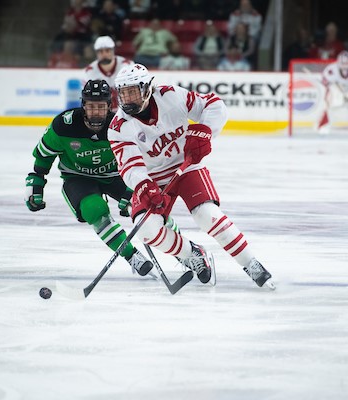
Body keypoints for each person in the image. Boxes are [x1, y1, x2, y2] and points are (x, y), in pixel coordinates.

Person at [107, 63, 275, 289]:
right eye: (124, 93)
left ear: (147, 88)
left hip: (186, 167)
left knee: (207, 214)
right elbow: (129, 166)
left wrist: (204, 131)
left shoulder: (171, 96)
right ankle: (193, 254)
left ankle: (251, 263)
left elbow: (215, 105)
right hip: (152, 177)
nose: (128, 99)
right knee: (146, 228)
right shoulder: (118, 127)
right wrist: (144, 185)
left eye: (133, 92)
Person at [24, 79, 153, 277]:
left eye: (101, 107)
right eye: (91, 107)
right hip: (78, 178)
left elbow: (141, 158)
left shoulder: (121, 125)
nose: (96, 112)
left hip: (116, 175)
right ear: (83, 106)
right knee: (95, 210)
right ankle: (131, 256)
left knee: (150, 205)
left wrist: (131, 190)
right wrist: (36, 182)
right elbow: (44, 154)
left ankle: (185, 252)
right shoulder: (64, 125)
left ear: (109, 107)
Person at [81, 35, 133, 111]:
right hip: (103, 113)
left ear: (113, 51)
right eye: (101, 51)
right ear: (96, 53)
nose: (104, 54)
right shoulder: (89, 72)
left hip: (126, 111)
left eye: (107, 50)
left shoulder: (127, 66)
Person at [317, 50, 348, 134]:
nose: (345, 67)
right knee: (331, 98)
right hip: (337, 91)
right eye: (343, 64)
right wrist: (333, 87)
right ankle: (324, 124)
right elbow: (324, 82)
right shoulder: (331, 70)